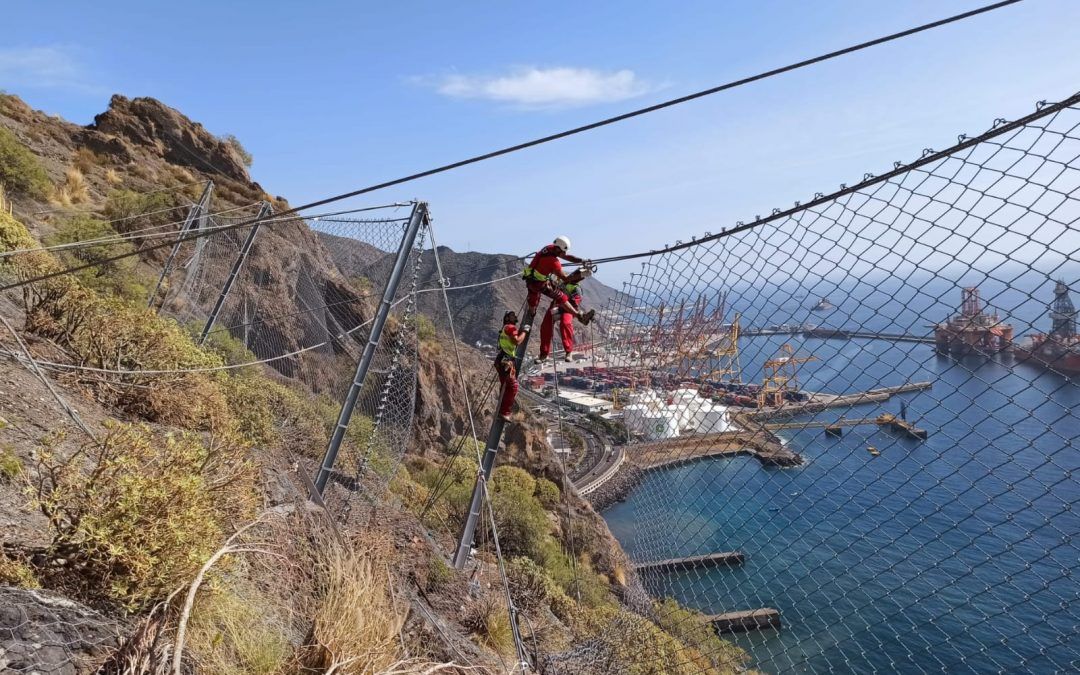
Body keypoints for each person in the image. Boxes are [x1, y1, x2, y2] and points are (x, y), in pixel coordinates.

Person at [521, 236, 595, 325]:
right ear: (558, 249)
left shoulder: (549, 248)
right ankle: (580, 317)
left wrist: (581, 260)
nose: (564, 253)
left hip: (530, 279)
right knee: (561, 297)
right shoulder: (554, 262)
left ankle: (532, 313)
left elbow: (566, 256)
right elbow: (565, 278)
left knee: (533, 298)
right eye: (563, 251)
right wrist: (583, 274)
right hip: (540, 284)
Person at [538, 269, 586, 364]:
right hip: (556, 305)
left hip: (567, 309)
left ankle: (568, 352)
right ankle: (544, 353)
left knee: (565, 324)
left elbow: (575, 302)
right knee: (545, 326)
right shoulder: (562, 282)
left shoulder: (576, 288)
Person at [494, 310, 529, 422]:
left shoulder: (504, 328)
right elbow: (517, 341)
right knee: (513, 386)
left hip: (501, 359)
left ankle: (502, 409)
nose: (515, 316)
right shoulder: (511, 328)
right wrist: (524, 332)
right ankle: (504, 412)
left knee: (505, 386)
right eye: (512, 315)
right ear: (507, 318)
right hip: (506, 360)